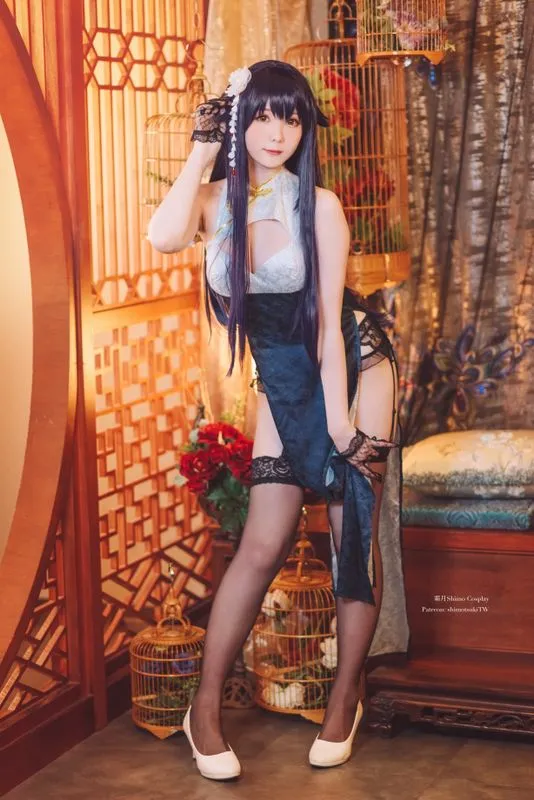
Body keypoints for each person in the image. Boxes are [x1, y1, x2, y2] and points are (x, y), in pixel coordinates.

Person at [148, 59, 407, 781]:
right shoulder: (211, 202)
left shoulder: (318, 204)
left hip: (351, 363)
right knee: (263, 540)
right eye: (261, 115)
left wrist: (341, 426)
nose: (276, 132)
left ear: (304, 128)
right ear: (239, 122)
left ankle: (345, 698)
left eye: (290, 118)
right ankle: (203, 710)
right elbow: (163, 237)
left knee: (352, 529)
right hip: (282, 377)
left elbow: (326, 326)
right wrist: (202, 148)